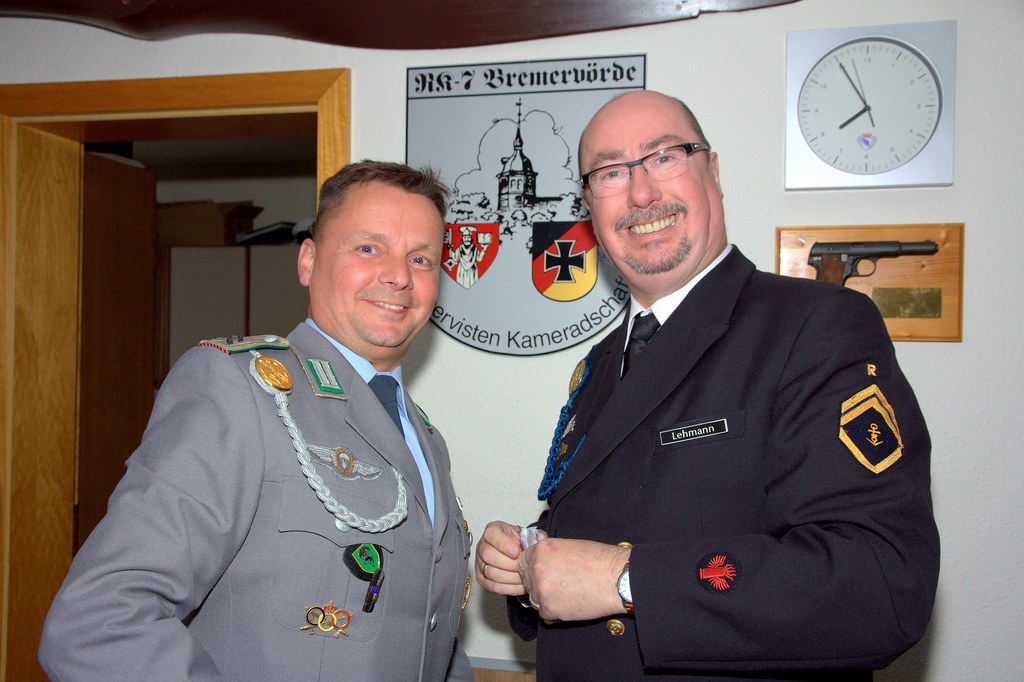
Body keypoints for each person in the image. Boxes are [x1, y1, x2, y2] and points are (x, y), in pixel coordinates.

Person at [475, 91, 939, 680]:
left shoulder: (814, 326)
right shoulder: (602, 361)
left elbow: (879, 582)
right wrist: (533, 563)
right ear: (589, 206)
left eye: (664, 157)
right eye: (611, 172)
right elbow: (621, 521)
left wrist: (625, 581)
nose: (641, 193)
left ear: (712, 172)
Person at [39, 161, 474, 681]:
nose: (399, 276)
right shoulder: (241, 391)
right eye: (367, 248)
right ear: (308, 261)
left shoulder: (425, 438)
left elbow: (423, 632)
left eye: (421, 259)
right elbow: (96, 623)